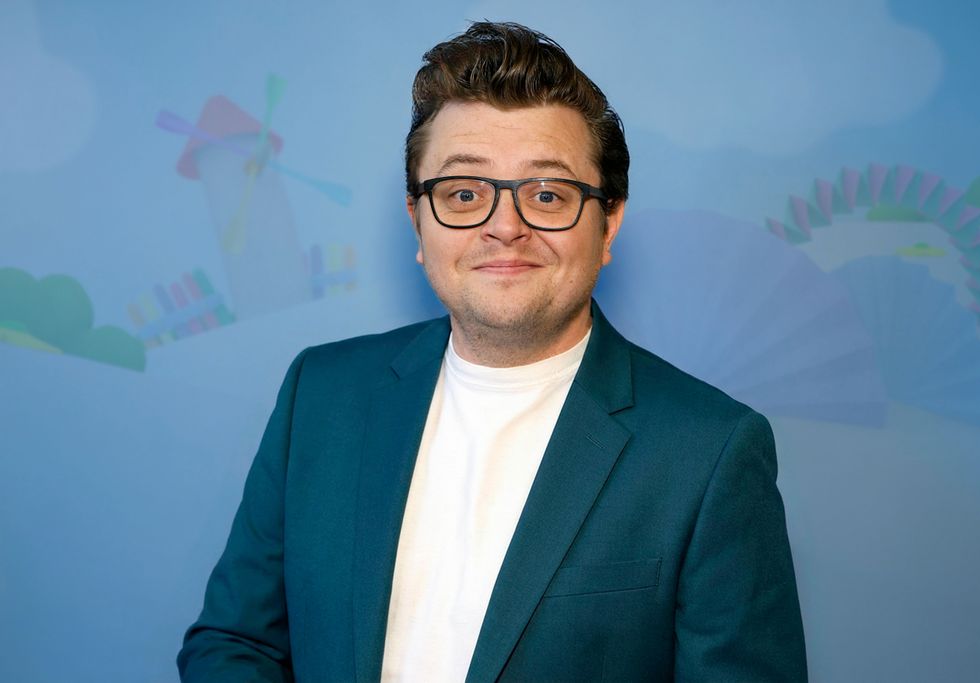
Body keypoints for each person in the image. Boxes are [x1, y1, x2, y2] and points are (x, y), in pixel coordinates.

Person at [178, 21, 807, 682]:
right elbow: (235, 642)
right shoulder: (322, 393)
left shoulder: (708, 451)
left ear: (608, 223)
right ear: (418, 220)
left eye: (547, 194)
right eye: (464, 193)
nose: (505, 227)